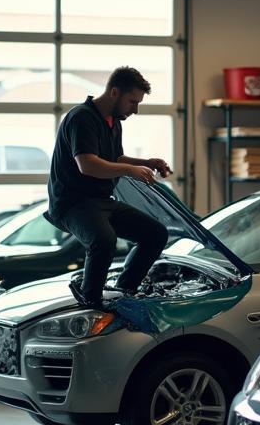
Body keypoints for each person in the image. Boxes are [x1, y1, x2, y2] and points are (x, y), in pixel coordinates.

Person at [46, 66, 172, 310]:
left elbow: (114, 158)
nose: (135, 110)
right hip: (73, 204)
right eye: (132, 102)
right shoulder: (81, 117)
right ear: (115, 92)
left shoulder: (114, 121)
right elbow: (88, 164)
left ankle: (124, 290)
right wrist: (129, 171)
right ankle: (91, 303)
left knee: (155, 233)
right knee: (103, 241)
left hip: (101, 201)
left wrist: (146, 162)